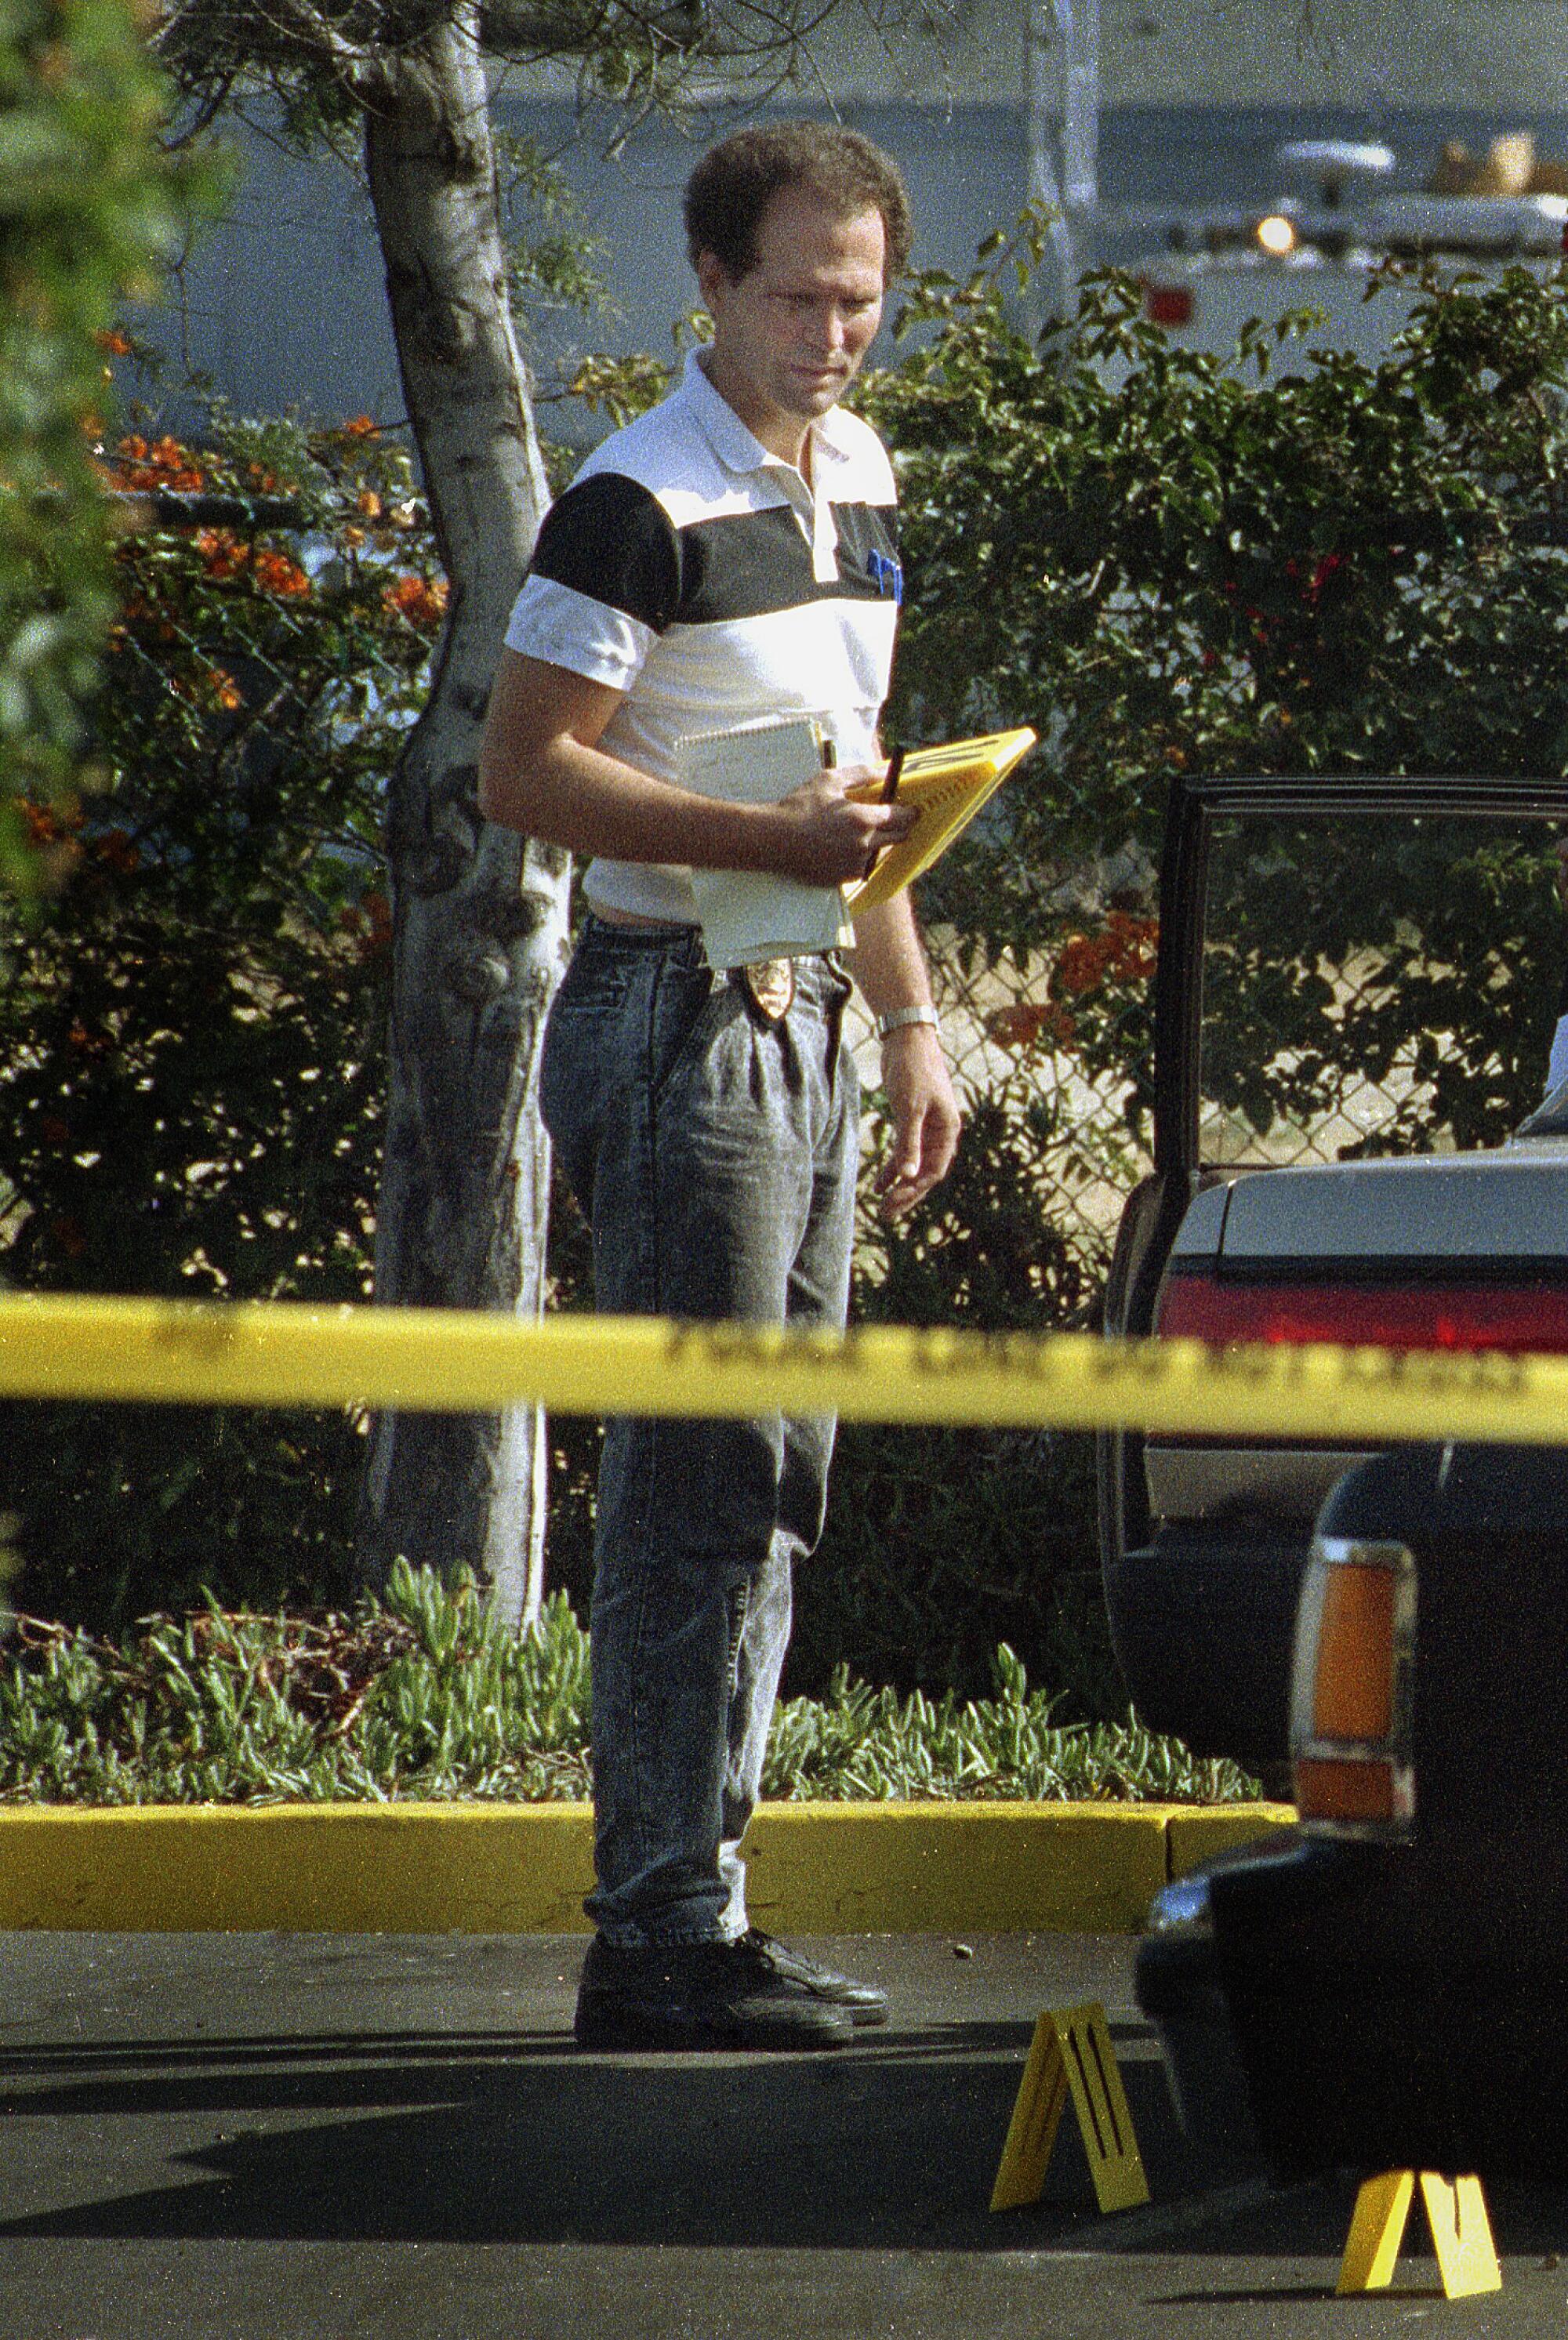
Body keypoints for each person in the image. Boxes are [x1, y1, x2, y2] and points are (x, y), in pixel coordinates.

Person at [477, 122, 960, 2052]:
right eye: (794, 293)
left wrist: (911, 1016)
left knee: (775, 1479)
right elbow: (523, 774)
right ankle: (656, 1932)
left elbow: (853, 782)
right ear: (710, 287)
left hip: (811, 1014)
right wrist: (750, 834)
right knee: (692, 1489)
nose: (831, 329)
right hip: (675, 1008)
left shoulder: (858, 474)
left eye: (859, 294)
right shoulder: (630, 499)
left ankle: (710, 1900)